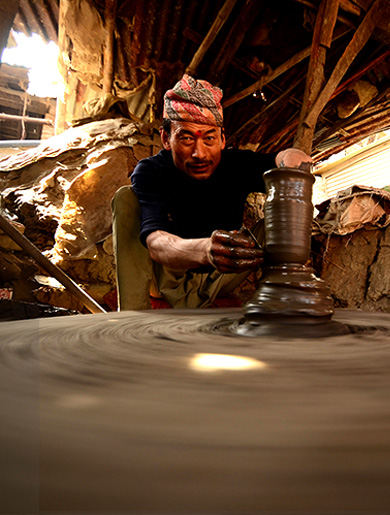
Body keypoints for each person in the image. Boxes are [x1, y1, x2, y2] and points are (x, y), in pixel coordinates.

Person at [112, 74, 312, 310]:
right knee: (125, 197)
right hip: (166, 278)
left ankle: (284, 303)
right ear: (166, 138)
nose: (200, 153)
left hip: (221, 278)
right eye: (186, 138)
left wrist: (294, 159)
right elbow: (156, 242)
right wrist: (205, 250)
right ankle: (131, 316)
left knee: (282, 216)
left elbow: (280, 159)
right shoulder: (152, 170)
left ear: (222, 139)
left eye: (209, 139)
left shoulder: (236, 164)